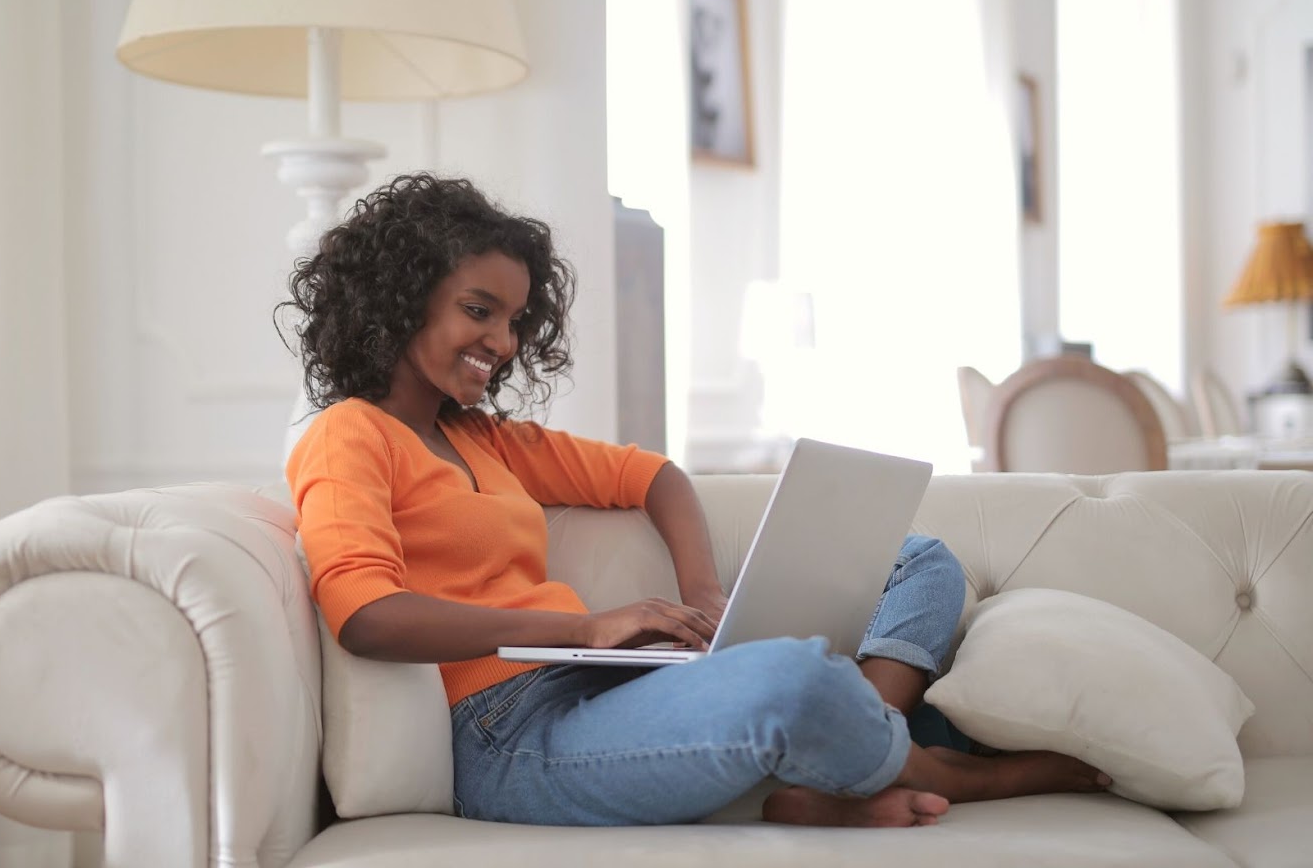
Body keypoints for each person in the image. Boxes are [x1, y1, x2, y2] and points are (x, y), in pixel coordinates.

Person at [277, 173, 1109, 828]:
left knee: (918, 556)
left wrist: (705, 594)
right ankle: (928, 764)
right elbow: (366, 614)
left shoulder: (486, 439)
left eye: (516, 320)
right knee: (786, 675)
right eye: (478, 311)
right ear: (399, 295)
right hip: (505, 739)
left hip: (596, 691)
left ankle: (837, 758)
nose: (502, 342)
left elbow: (657, 477)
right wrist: (579, 628)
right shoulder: (346, 434)